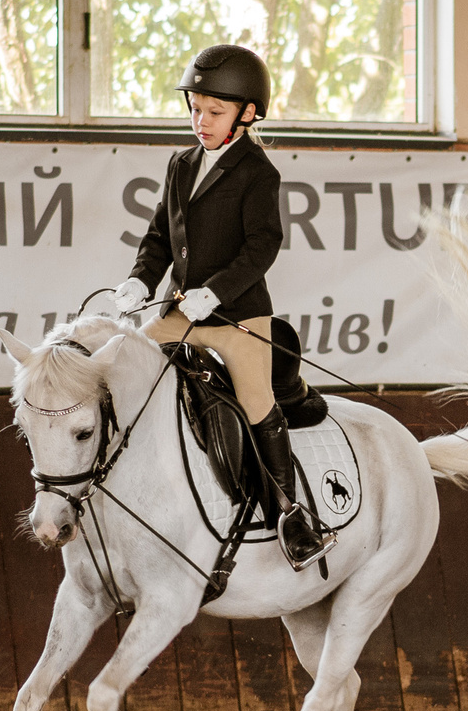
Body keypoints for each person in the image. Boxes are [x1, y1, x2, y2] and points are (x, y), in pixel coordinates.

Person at [115, 43, 333, 569]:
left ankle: (292, 516)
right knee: (126, 365)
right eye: (195, 109)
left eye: (214, 112)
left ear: (248, 113)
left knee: (257, 400)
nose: (200, 121)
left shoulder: (258, 172)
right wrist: (139, 281)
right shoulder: (180, 163)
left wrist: (216, 291)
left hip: (236, 315)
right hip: (179, 313)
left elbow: (262, 246)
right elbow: (159, 236)